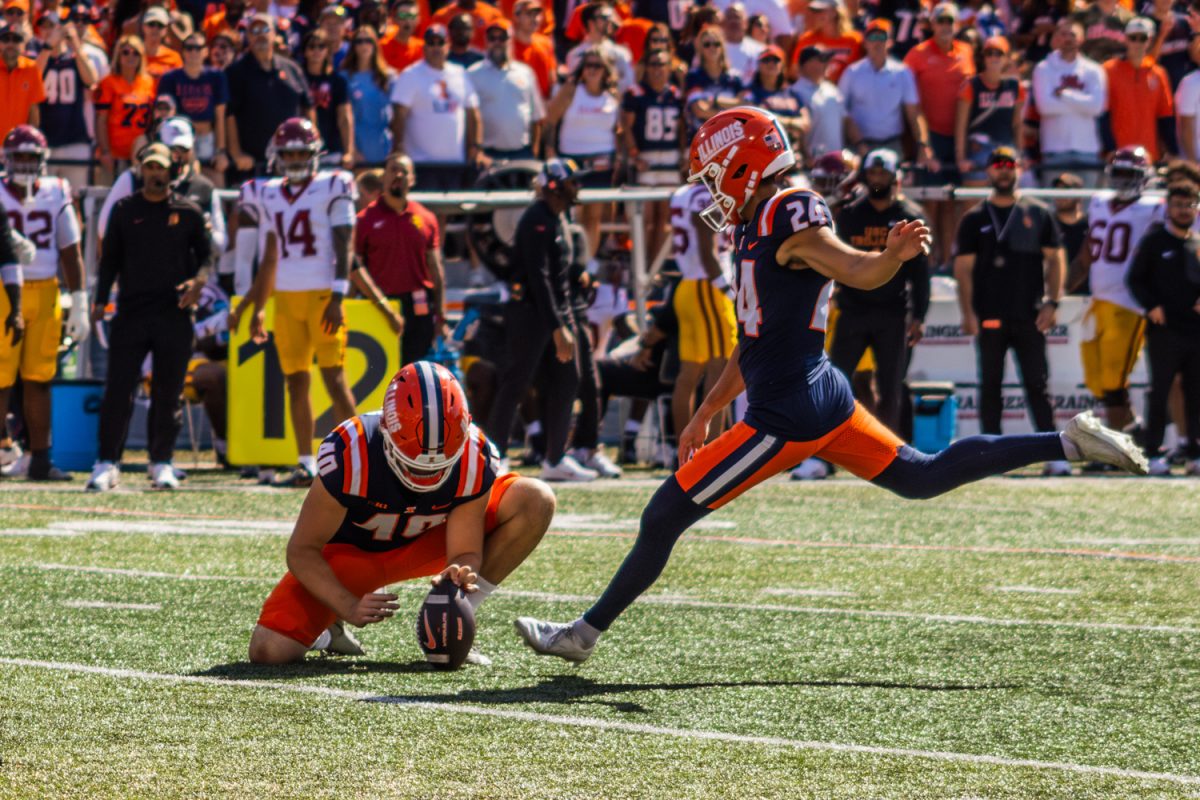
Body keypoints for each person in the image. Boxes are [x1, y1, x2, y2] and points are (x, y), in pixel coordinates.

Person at [513, 107, 1147, 663]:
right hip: (818, 392)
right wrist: (707, 408)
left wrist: (893, 257)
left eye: (713, 174)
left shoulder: (789, 208)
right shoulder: (758, 218)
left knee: (662, 516)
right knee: (921, 475)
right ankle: (1066, 442)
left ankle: (583, 634)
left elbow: (854, 270)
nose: (710, 189)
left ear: (742, 164)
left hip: (787, 412)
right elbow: (755, 336)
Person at [247, 362, 556, 665]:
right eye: (414, 465)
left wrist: (459, 576)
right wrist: (347, 604)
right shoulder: (351, 452)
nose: (427, 478)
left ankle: (458, 616)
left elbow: (464, 548)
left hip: (425, 541)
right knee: (269, 650)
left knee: (534, 499)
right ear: (386, 431)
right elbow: (302, 550)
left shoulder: (475, 456)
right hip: (352, 556)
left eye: (440, 467)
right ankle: (329, 627)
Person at [230, 117, 359, 488]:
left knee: (335, 378)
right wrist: (256, 308)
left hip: (321, 295)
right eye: (290, 152)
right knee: (295, 382)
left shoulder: (332, 186)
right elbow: (270, 258)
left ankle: (361, 457)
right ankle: (306, 461)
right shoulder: (268, 193)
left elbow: (344, 243)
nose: (296, 158)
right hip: (285, 297)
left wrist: (338, 294)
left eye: (302, 151)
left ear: (316, 153)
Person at [87, 144, 212, 492]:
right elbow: (109, 259)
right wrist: (99, 301)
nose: (155, 173)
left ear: (171, 170)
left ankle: (161, 461)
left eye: (161, 167)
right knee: (118, 389)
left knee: (168, 390)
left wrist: (199, 280)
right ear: (140, 169)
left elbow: (207, 255)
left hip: (174, 312)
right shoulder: (125, 210)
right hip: (131, 311)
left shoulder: (187, 211)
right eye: (150, 167)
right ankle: (107, 461)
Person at [953, 146, 1070, 475]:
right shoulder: (974, 218)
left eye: (1010, 165)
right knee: (990, 385)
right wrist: (967, 312)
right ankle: (990, 458)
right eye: (998, 166)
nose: (1004, 171)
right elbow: (962, 270)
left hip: (1030, 314)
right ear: (988, 172)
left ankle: (1054, 457)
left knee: (1037, 385)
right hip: (989, 313)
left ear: (1019, 169)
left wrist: (1053, 301)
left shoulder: (1038, 212)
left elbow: (1056, 259)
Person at [483, 159, 598, 483]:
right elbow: (539, 277)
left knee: (568, 379)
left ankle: (555, 457)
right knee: (517, 381)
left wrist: (562, 319)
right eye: (573, 182)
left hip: (553, 311)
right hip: (531, 313)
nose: (578, 187)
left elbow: (557, 277)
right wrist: (558, 326)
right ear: (555, 186)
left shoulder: (558, 216)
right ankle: (497, 454)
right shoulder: (537, 218)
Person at [0, 126, 87, 480]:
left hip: (48, 289)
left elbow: (71, 250)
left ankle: (39, 458)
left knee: (39, 378)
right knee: (1, 378)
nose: (24, 163)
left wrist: (79, 299)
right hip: (4, 292)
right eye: (18, 156)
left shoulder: (56, 191)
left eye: (30, 157)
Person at [831, 148, 929, 436]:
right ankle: (823, 454)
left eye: (882, 173)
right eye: (872, 173)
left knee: (891, 386)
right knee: (836, 383)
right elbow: (835, 261)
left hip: (892, 312)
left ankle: (893, 454)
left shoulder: (910, 217)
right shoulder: (849, 216)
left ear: (894, 176)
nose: (877, 178)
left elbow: (921, 273)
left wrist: (919, 315)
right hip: (852, 309)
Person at [1072, 147, 1161, 437]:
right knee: (1096, 380)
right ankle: (1134, 433)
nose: (1123, 181)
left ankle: (1116, 443)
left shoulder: (1155, 207)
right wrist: (1056, 293)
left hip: (1129, 304)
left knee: (1113, 380)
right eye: (1118, 173)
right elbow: (1086, 255)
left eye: (1129, 174)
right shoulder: (1098, 202)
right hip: (1097, 301)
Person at [1125, 181, 1200, 476]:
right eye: (1179, 205)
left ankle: (1194, 453)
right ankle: (1153, 454)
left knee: (1196, 393)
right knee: (1160, 391)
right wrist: (1151, 305)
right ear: (1168, 208)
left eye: (1190, 205)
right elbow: (1134, 280)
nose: (1184, 210)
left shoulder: (1197, 243)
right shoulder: (1154, 241)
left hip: (1195, 332)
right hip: (1164, 330)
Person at [668, 179, 737, 466]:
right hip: (707, 286)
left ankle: (683, 453)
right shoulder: (703, 195)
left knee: (690, 372)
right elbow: (706, 247)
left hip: (690, 285)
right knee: (721, 370)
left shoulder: (683, 191)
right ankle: (709, 454)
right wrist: (728, 290)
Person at [355, 153, 444, 365]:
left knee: (414, 371)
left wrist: (441, 313)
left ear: (412, 179)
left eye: (404, 171)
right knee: (381, 372)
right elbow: (355, 269)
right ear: (383, 177)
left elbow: (436, 267)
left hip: (418, 305)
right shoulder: (364, 220)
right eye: (393, 169)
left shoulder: (426, 218)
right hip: (380, 305)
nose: (398, 175)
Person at [97, 117, 227, 262]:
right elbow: (104, 228)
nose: (177, 155)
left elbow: (221, 245)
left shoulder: (204, 187)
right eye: (171, 149)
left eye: (183, 149)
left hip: (189, 275)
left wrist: (206, 232)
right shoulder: (133, 178)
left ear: (191, 149)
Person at [904, 1, 975, 267]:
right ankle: (927, 261)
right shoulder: (917, 54)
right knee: (930, 202)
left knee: (951, 203)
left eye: (950, 20)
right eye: (941, 20)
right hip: (930, 136)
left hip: (957, 138)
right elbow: (911, 104)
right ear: (932, 24)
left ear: (956, 24)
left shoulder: (966, 51)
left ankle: (947, 260)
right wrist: (922, 144)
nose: (945, 25)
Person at [545, 47, 620, 262]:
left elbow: (618, 129)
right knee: (572, 215)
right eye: (588, 65)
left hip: (601, 162)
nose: (592, 70)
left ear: (606, 70)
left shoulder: (612, 96)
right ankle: (570, 260)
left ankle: (588, 262)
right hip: (572, 161)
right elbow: (551, 120)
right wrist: (550, 153)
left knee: (593, 216)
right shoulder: (571, 90)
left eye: (598, 65)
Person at [389, 24, 483, 192]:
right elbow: (399, 114)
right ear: (424, 47)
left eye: (440, 42)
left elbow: (472, 113)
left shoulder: (460, 73)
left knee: (450, 213)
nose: (436, 47)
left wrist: (475, 147)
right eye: (431, 43)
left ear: (448, 46)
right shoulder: (411, 75)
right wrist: (399, 147)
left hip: (455, 162)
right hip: (421, 163)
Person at [225, 14, 314, 185]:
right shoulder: (235, 72)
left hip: (293, 163)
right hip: (253, 166)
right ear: (248, 37)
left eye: (265, 29)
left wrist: (310, 144)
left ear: (274, 34)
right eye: (254, 30)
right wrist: (236, 154)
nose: (260, 34)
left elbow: (308, 107)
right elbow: (230, 115)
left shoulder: (292, 68)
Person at [621, 47, 682, 267]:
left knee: (663, 221)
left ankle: (654, 270)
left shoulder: (675, 94)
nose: (657, 69)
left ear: (669, 67)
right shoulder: (635, 93)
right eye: (653, 64)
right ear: (646, 67)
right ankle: (640, 268)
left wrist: (684, 155)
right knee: (644, 220)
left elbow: (683, 127)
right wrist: (634, 154)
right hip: (645, 159)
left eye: (662, 64)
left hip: (670, 160)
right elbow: (626, 127)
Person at [1031, 19, 1106, 187]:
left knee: (1085, 209)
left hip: (1087, 150)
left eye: (1073, 35)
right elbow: (1045, 107)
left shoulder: (1093, 70)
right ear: (1056, 38)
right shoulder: (1044, 68)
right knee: (1052, 208)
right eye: (1063, 34)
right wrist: (1082, 102)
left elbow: (1096, 107)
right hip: (1054, 149)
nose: (1068, 39)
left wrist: (1064, 94)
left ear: (1081, 39)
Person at [839, 19, 927, 159]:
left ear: (890, 42)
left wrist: (923, 145)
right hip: (859, 147)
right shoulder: (852, 73)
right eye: (872, 37)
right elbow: (842, 112)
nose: (877, 42)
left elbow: (913, 113)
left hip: (892, 144)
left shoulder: (902, 73)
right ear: (865, 42)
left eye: (882, 37)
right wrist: (859, 143)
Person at [33, 12, 97, 192]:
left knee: (76, 197)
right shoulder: (36, 57)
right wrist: (47, 47)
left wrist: (75, 44)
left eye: (52, 26)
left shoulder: (75, 58)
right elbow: (33, 81)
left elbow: (91, 79)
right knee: (44, 196)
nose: (48, 31)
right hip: (45, 141)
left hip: (75, 139)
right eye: (44, 26)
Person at [468, 20, 545, 162]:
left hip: (522, 153)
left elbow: (536, 117)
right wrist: (476, 151)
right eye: (492, 38)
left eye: (502, 38)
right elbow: (468, 118)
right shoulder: (473, 74)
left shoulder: (526, 72)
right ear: (486, 42)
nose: (497, 42)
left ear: (510, 40)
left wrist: (534, 151)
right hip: (487, 155)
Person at [157, 31, 230, 178]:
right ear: (183, 52)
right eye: (189, 48)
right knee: (183, 177)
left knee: (217, 177)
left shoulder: (216, 77)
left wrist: (220, 151)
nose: (193, 52)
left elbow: (220, 115)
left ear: (206, 51)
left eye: (198, 47)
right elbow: (163, 116)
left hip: (207, 137)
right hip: (179, 138)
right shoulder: (169, 78)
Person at [1102, 17, 1176, 162]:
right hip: (1117, 155)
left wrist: (1172, 151)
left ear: (1150, 41)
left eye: (1143, 38)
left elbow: (1165, 117)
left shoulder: (1158, 73)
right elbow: (1103, 116)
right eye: (1132, 38)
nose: (1137, 43)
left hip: (1149, 156)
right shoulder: (1109, 70)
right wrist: (1109, 148)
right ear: (1125, 39)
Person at [954, 36, 1024, 187]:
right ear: (983, 58)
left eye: (999, 53)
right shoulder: (971, 86)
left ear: (1007, 58)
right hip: (978, 145)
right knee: (974, 197)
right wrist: (961, 158)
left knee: (1011, 190)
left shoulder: (1016, 87)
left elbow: (1017, 124)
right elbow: (961, 126)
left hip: (1006, 147)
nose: (994, 57)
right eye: (989, 53)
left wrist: (1020, 153)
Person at [95, 35, 155, 183]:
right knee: (108, 196)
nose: (131, 56)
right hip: (115, 153)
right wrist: (105, 152)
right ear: (118, 55)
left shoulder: (148, 82)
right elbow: (101, 119)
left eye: (136, 53)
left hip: (139, 154)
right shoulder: (109, 82)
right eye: (126, 52)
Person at [342, 26, 394, 167]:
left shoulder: (388, 77)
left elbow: (397, 117)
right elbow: (342, 118)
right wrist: (352, 150)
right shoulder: (344, 77)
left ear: (375, 44)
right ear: (353, 46)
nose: (364, 45)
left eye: (368, 41)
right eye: (359, 41)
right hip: (357, 151)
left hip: (385, 148)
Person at [140, 6, 181, 80]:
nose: (155, 29)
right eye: (151, 24)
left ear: (166, 29)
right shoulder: (133, 54)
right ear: (143, 26)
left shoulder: (174, 57)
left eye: (160, 25)